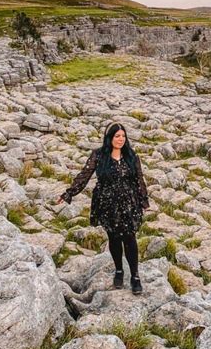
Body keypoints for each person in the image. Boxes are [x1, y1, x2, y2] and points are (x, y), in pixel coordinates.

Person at [56, 122, 150, 295]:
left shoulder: (131, 156)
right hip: (107, 203)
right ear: (110, 138)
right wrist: (69, 193)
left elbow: (139, 179)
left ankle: (135, 276)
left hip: (128, 203)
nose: (121, 139)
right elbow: (84, 176)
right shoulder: (99, 155)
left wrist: (143, 200)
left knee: (129, 238)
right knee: (114, 237)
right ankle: (119, 271)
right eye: (117, 136)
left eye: (123, 136)